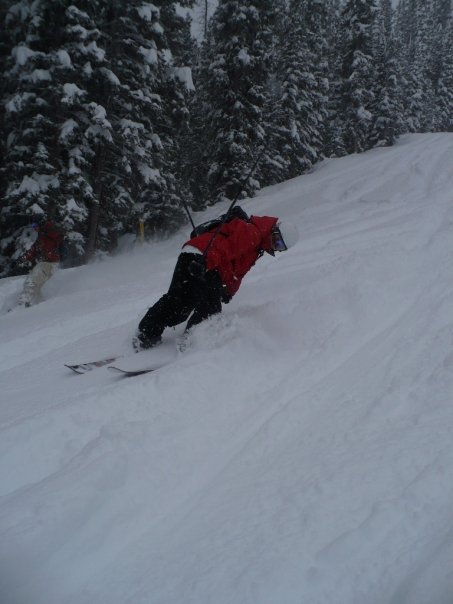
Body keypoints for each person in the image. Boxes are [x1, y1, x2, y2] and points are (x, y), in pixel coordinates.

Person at [134, 207, 299, 350]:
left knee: (180, 301)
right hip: (204, 259)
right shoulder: (253, 233)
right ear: (274, 230)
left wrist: (228, 291)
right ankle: (191, 345)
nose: (275, 247)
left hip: (191, 254)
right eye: (277, 241)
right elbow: (225, 249)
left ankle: (146, 334)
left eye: (280, 247)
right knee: (209, 307)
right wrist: (205, 263)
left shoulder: (256, 246)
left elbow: (237, 272)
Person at [17, 218, 64, 307]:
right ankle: (41, 305)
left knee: (32, 280)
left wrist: (47, 230)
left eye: (35, 225)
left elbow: (58, 237)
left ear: (40, 224)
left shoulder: (49, 232)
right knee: (38, 286)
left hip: (50, 263)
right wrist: (23, 258)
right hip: (49, 263)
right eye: (32, 226)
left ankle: (22, 303)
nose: (34, 228)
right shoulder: (41, 236)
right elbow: (34, 250)